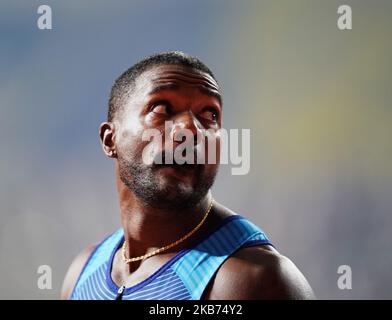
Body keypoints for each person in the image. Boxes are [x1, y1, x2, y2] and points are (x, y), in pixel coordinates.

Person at [61, 51, 315, 300]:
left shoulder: (254, 280)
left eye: (209, 115)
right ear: (110, 139)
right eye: (162, 108)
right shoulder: (83, 271)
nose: (192, 129)